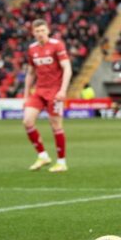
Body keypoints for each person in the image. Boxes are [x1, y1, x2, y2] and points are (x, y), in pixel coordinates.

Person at [23, 19, 72, 172]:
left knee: (55, 124)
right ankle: (43, 156)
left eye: (43, 30)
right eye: (37, 31)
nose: (40, 34)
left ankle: (62, 162)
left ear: (48, 30)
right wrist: (26, 95)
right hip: (39, 91)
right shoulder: (32, 49)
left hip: (55, 91)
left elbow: (67, 68)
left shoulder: (57, 45)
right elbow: (31, 72)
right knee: (27, 121)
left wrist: (63, 90)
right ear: (33, 33)